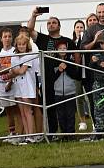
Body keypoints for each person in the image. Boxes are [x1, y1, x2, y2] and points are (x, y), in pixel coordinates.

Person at [27, 8, 74, 137]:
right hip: (48, 80)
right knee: (49, 109)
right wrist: (34, 16)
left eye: (54, 22)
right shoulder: (42, 39)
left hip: (63, 81)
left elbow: (76, 57)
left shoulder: (67, 41)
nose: (51, 25)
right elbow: (29, 30)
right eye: (48, 23)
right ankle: (52, 133)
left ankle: (67, 134)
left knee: (66, 109)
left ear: (59, 26)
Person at [9, 33, 40, 144]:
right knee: (22, 112)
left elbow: (21, 71)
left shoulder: (29, 56)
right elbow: (12, 71)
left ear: (27, 45)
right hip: (18, 86)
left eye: (23, 44)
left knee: (28, 111)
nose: (21, 46)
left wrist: (15, 70)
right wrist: (16, 71)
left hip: (27, 85)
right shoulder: (15, 57)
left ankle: (31, 135)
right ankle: (26, 134)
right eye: (19, 44)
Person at [53, 39, 81, 138]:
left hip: (70, 92)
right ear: (56, 50)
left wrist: (67, 68)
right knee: (60, 115)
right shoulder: (53, 62)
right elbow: (52, 78)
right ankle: (64, 134)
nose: (62, 49)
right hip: (58, 93)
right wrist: (59, 70)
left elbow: (76, 75)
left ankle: (71, 134)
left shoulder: (71, 61)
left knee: (70, 114)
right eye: (60, 48)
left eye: (64, 48)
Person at [71, 20, 91, 132]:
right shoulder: (72, 42)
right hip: (77, 73)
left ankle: (94, 120)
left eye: (81, 27)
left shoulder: (87, 40)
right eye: (77, 27)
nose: (79, 29)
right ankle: (82, 121)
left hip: (87, 72)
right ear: (74, 29)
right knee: (79, 98)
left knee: (89, 98)